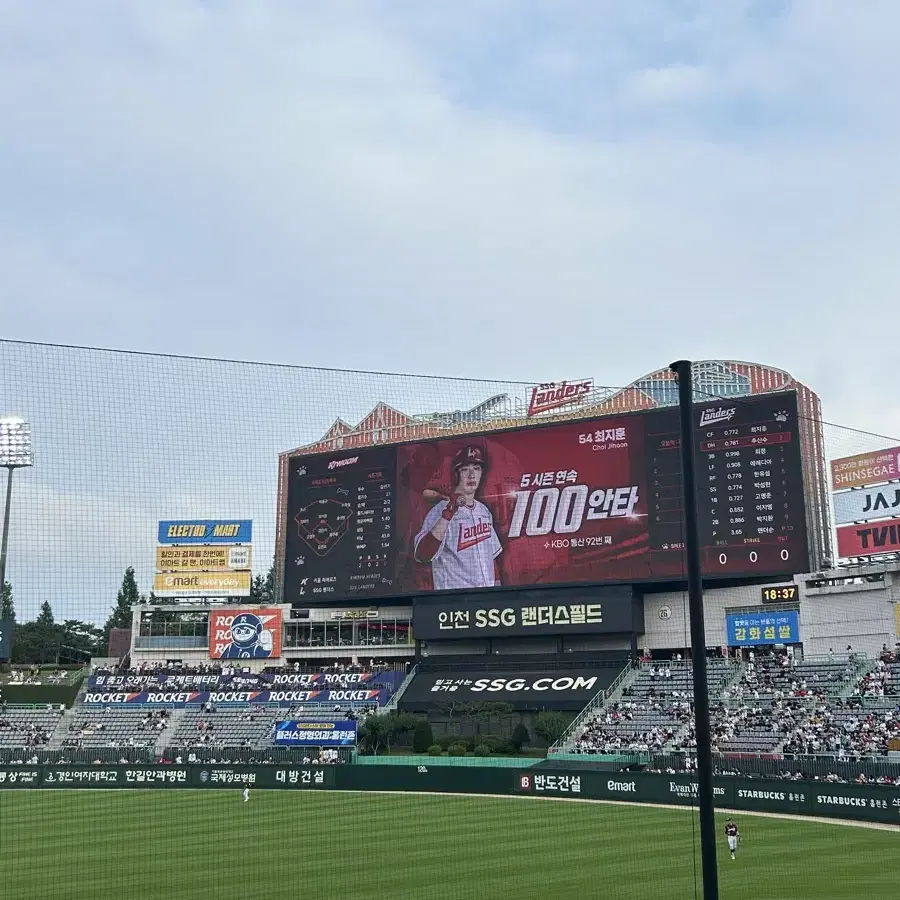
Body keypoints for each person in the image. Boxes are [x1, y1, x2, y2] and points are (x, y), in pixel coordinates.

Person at [414, 445, 502, 590]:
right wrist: (447, 515)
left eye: (476, 468)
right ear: (456, 475)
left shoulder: (484, 511)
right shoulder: (439, 511)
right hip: (455, 603)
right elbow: (423, 555)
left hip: (486, 598)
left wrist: (499, 592)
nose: (471, 475)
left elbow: (491, 557)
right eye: (465, 469)